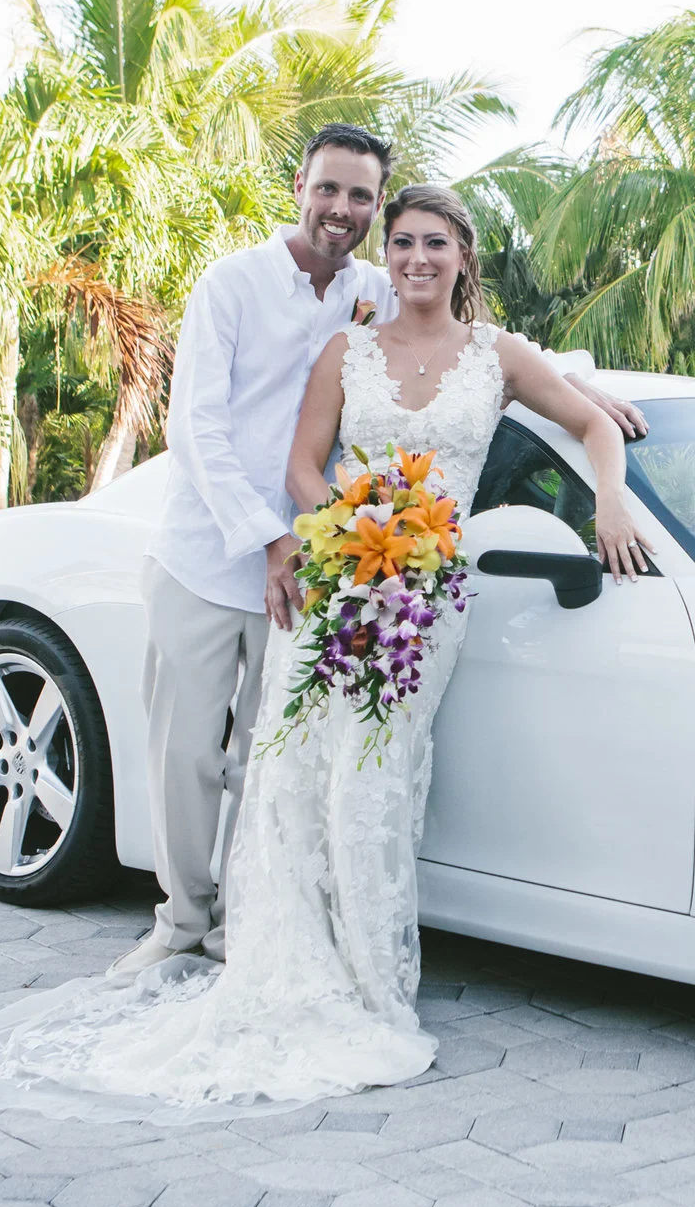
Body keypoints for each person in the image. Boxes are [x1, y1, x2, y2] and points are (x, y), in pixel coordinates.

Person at [0, 183, 649, 1121]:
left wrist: (609, 497)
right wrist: (350, 521)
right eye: (402, 241)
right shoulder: (347, 349)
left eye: (435, 243)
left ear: (464, 258)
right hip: (339, 580)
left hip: (425, 599)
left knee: (377, 775)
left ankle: (369, 973)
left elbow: (591, 423)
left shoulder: (500, 354)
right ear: (386, 255)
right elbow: (301, 466)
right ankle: (269, 948)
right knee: (298, 773)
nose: (417, 257)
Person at [105, 123, 638, 980]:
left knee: (273, 759)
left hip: (328, 572)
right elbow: (195, 428)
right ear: (299, 187)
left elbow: (476, 344)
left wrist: (585, 391)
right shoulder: (232, 283)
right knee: (187, 752)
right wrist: (280, 535)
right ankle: (179, 922)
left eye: (360, 196)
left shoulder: (372, 286)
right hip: (217, 550)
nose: (342, 208)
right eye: (328, 189)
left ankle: (249, 926)